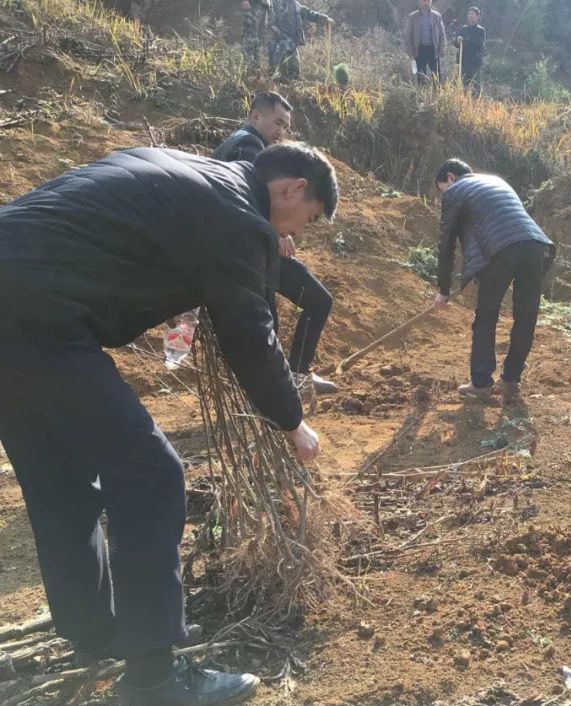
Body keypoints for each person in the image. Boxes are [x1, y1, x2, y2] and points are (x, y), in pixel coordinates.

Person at [0, 142, 337, 705]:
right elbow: (249, 336)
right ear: (294, 189)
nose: (301, 232)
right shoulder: (236, 217)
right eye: (309, 219)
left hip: (16, 291)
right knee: (153, 473)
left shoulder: (195, 173)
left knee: (58, 476)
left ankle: (95, 635)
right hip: (38, 317)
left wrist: (266, 254)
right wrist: (292, 421)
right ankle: (153, 680)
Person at [215, 92, 339, 394]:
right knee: (311, 301)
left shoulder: (242, 143)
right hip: (254, 248)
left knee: (271, 316)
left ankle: (285, 379)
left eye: (286, 125)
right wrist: (277, 234)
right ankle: (285, 381)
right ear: (256, 116)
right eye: (278, 122)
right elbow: (255, 198)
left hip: (247, 246)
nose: (281, 131)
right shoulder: (248, 146)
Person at [433, 159, 555, 403]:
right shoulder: (496, 182)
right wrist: (473, 275)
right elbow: (488, 228)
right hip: (535, 246)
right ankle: (510, 380)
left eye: (441, 189)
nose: (443, 195)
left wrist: (444, 290)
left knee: (486, 317)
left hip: (502, 251)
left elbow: (447, 243)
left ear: (450, 178)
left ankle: (480, 384)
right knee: (526, 316)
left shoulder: (456, 191)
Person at [269, 0, 334, 80]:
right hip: (280, 42)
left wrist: (325, 18)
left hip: (292, 43)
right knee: (278, 73)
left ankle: (292, 82)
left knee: (294, 72)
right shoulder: (275, 3)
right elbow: (267, 15)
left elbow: (309, 13)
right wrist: (272, 26)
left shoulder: (295, 5)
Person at [404, 0, 448, 85]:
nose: (426, 3)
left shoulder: (437, 16)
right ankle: (422, 96)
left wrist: (442, 49)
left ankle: (438, 94)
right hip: (419, 49)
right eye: (423, 1)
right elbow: (407, 35)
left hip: (433, 49)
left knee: (437, 75)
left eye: (428, 1)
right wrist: (410, 51)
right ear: (419, 2)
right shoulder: (413, 17)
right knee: (420, 75)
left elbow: (442, 34)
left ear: (431, 2)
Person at [454, 6, 486, 93]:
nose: (470, 16)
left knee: (475, 86)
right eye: (469, 14)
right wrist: (457, 40)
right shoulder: (463, 28)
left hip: (474, 62)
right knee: (462, 84)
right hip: (462, 61)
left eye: (472, 14)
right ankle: (463, 102)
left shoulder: (480, 30)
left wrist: (464, 40)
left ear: (477, 16)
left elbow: (478, 43)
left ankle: (475, 103)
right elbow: (456, 43)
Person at [240, 0, 272, 72]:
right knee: (253, 36)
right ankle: (251, 69)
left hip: (261, 5)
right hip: (258, 5)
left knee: (255, 37)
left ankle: (253, 70)